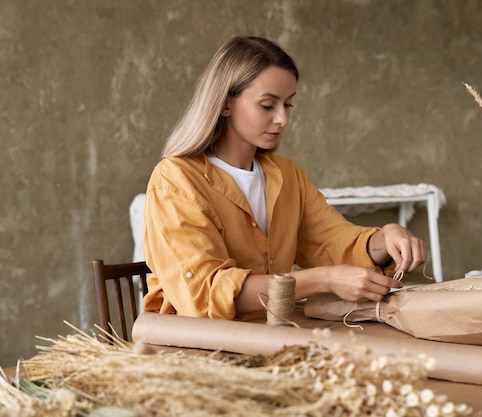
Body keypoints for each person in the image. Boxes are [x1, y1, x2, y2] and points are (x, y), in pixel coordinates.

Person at [143, 35, 427, 320]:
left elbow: (333, 242)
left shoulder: (288, 175)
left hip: (274, 336)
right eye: (268, 105)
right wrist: (323, 280)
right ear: (225, 104)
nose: (283, 119)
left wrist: (387, 236)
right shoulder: (175, 180)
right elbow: (205, 293)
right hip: (194, 349)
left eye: (288, 104)